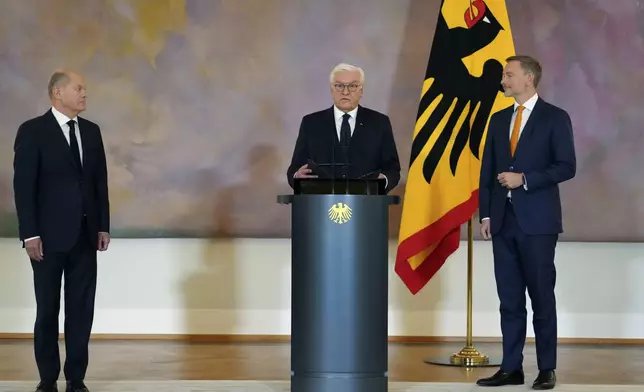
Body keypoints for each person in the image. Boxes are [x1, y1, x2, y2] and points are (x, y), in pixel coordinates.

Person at [476, 55, 576, 390]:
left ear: (528, 78)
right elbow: (487, 172)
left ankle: (547, 368)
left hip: (538, 224)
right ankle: (510, 368)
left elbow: (566, 166)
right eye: (504, 74)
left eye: (508, 75)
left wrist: (526, 179)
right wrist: (486, 214)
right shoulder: (498, 119)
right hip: (502, 223)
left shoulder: (555, 118)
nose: (503, 80)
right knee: (509, 301)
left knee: (542, 298)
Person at [13, 69, 111, 392]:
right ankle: (47, 379)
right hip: (46, 239)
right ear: (58, 93)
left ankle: (76, 378)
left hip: (85, 236)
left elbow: (99, 184)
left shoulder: (92, 132)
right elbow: (24, 187)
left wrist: (102, 226)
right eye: (78, 88)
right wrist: (30, 234)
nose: (84, 94)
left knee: (81, 311)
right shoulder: (33, 132)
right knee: (47, 310)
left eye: (84, 88)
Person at [286, 63, 401, 193]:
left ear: (361, 90)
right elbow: (295, 168)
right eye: (339, 86)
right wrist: (297, 176)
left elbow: (392, 169)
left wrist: (382, 181)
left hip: (367, 204)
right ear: (331, 89)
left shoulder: (379, 123)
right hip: (320, 205)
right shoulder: (311, 123)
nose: (345, 92)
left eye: (352, 86)